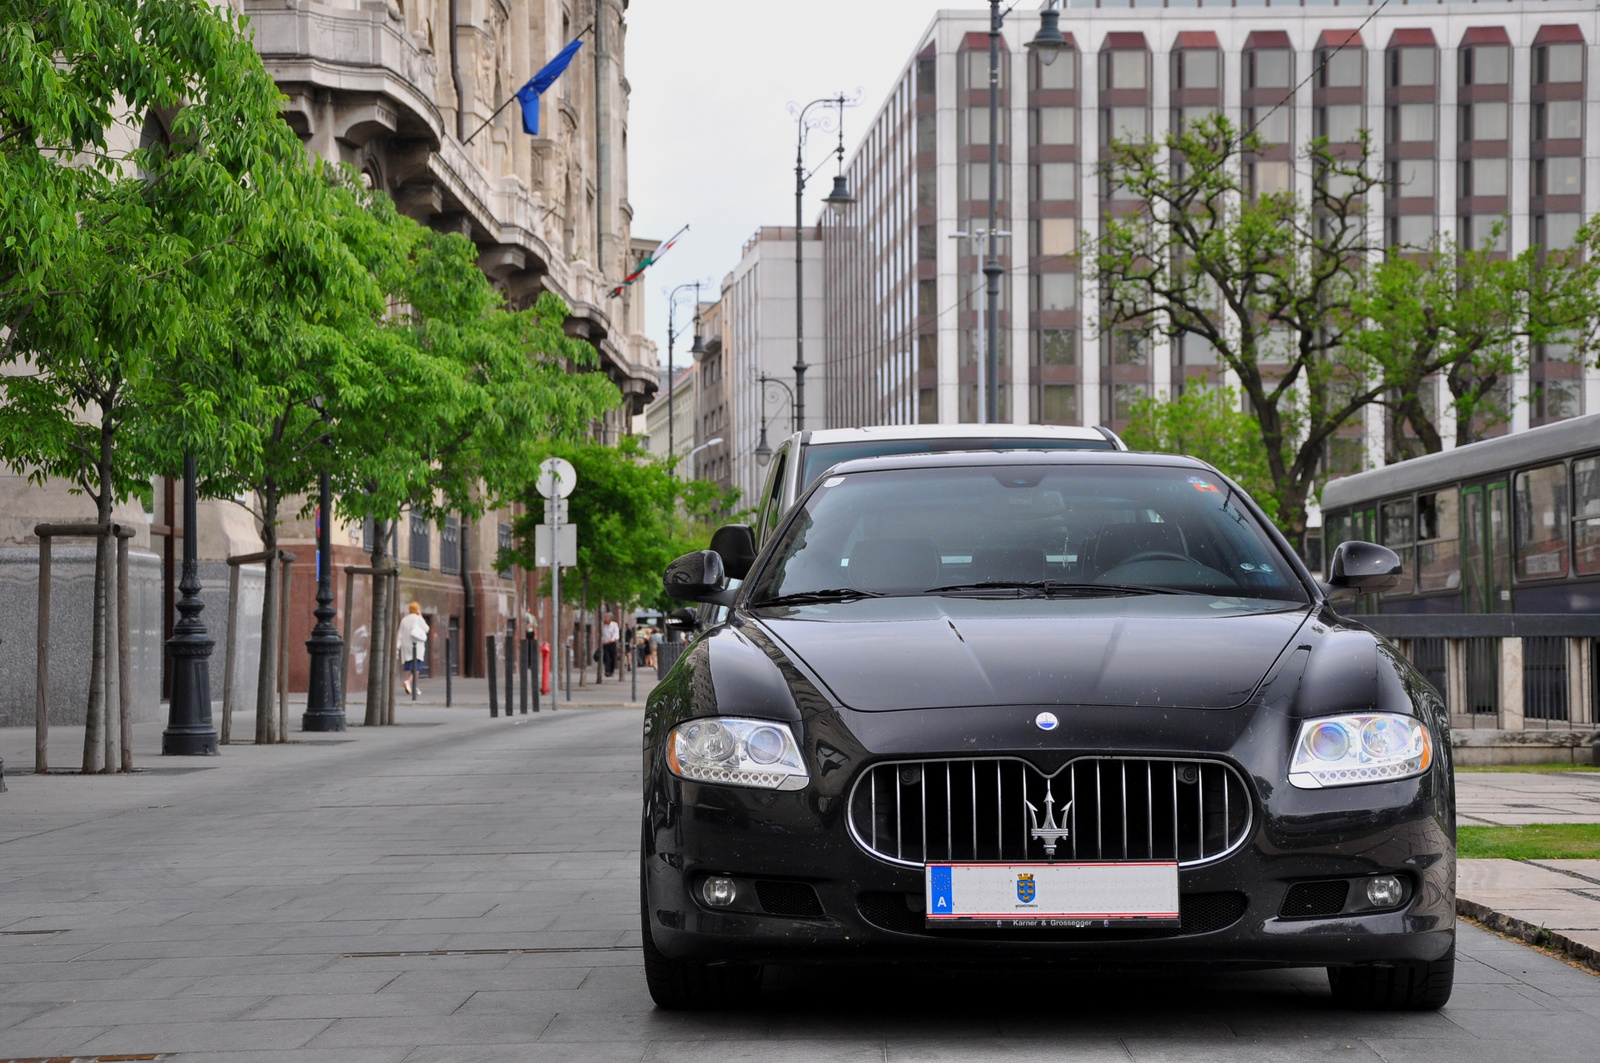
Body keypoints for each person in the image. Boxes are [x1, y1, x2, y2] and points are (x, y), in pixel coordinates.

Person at [397, 601, 429, 696]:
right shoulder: (418, 619)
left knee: (413, 668)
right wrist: (421, 616)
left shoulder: (404, 620)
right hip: (417, 647)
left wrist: (397, 647)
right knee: (417, 668)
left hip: (406, 647)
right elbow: (427, 629)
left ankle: (415, 687)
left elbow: (400, 634)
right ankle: (408, 682)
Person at [600, 612, 620, 677]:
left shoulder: (614, 625)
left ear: (610, 618)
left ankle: (611, 670)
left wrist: (613, 638)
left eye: (606, 617)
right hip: (605, 643)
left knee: (613, 657)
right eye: (605, 617)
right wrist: (602, 640)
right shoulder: (603, 625)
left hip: (612, 643)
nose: (605, 619)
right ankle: (607, 671)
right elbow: (602, 634)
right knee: (606, 657)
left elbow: (616, 632)